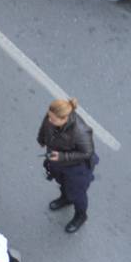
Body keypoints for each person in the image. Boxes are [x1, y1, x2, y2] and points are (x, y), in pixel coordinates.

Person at [37, 97, 96, 234]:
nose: (50, 120)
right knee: (62, 183)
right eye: (49, 117)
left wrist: (63, 157)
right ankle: (66, 198)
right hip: (57, 159)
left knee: (77, 193)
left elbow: (87, 152)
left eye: (53, 120)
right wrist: (41, 138)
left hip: (76, 167)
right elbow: (45, 125)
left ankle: (81, 216)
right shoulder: (52, 116)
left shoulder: (81, 131)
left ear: (64, 118)